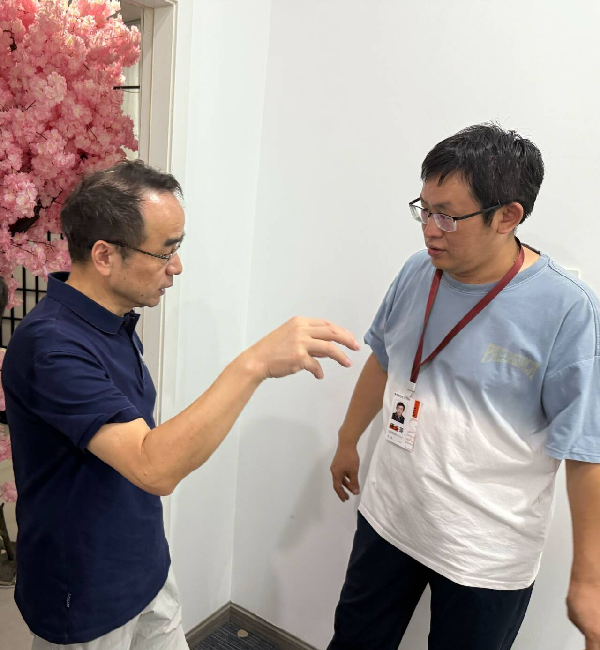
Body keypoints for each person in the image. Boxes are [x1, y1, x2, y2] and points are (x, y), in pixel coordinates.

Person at [1, 160, 359, 649]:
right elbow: (153, 467)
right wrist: (253, 363)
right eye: (165, 251)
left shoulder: (112, 321)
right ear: (104, 255)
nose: (177, 267)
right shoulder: (51, 346)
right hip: (83, 592)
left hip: (144, 564)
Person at [328, 124, 600, 650]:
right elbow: (383, 357)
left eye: (448, 216)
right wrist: (347, 438)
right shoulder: (418, 271)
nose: (430, 231)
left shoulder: (568, 309)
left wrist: (588, 581)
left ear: (508, 216)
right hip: (389, 516)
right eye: (424, 210)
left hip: (485, 552)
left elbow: (586, 449)